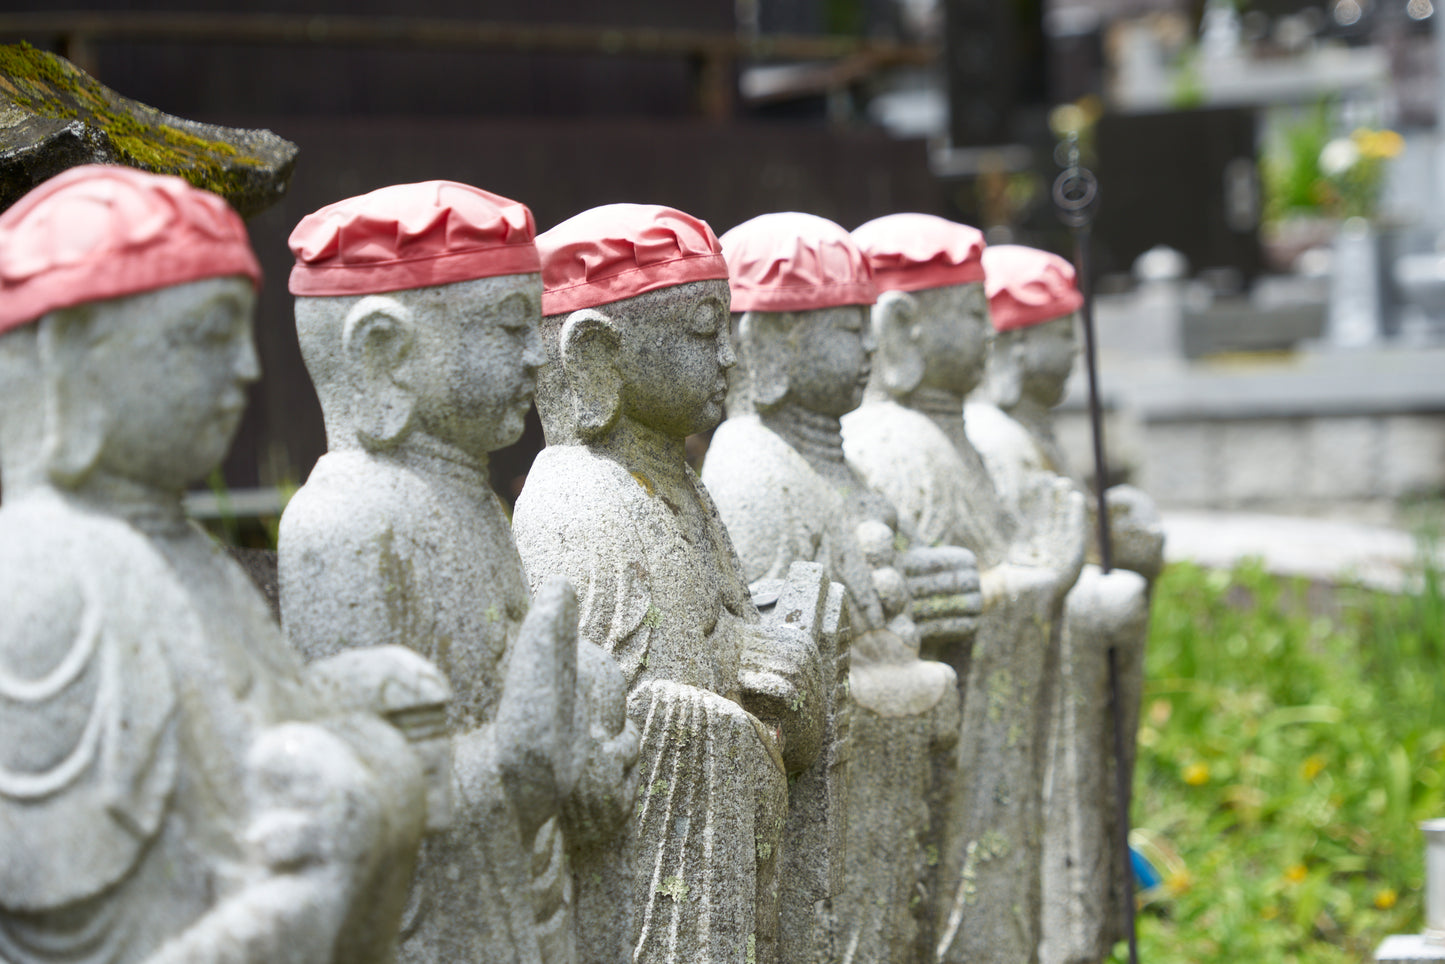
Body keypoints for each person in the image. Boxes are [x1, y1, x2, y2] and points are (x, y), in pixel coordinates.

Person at [0, 165, 444, 964]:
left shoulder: (175, 547)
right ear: (74, 352)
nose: (245, 369)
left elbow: (237, 728)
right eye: (204, 336)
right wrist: (303, 895)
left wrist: (343, 709)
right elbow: (80, 929)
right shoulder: (51, 569)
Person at [279, 181, 639, 964]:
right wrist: (509, 763)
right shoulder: (343, 524)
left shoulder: (464, 498)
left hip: (525, 897)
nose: (534, 355)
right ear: (385, 353)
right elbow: (361, 793)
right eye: (508, 327)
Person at [513, 203, 827, 964]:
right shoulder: (580, 502)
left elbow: (718, 641)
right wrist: (734, 677)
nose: (726, 358)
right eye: (700, 333)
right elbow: (617, 732)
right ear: (595, 352)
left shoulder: (679, 484)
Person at [702, 211, 976, 963]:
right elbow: (770, 682)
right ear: (770, 344)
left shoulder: (836, 463)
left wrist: (929, 591)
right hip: (832, 809)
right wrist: (896, 677)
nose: (865, 347)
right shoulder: (753, 471)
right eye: (842, 328)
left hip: (883, 795)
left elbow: (884, 597)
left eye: (865, 325)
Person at [845, 212, 1087, 964]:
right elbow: (917, 601)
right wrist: (1039, 575)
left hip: (986, 737)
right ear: (904, 325)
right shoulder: (896, 442)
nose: (989, 333)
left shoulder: (953, 439)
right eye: (973, 313)